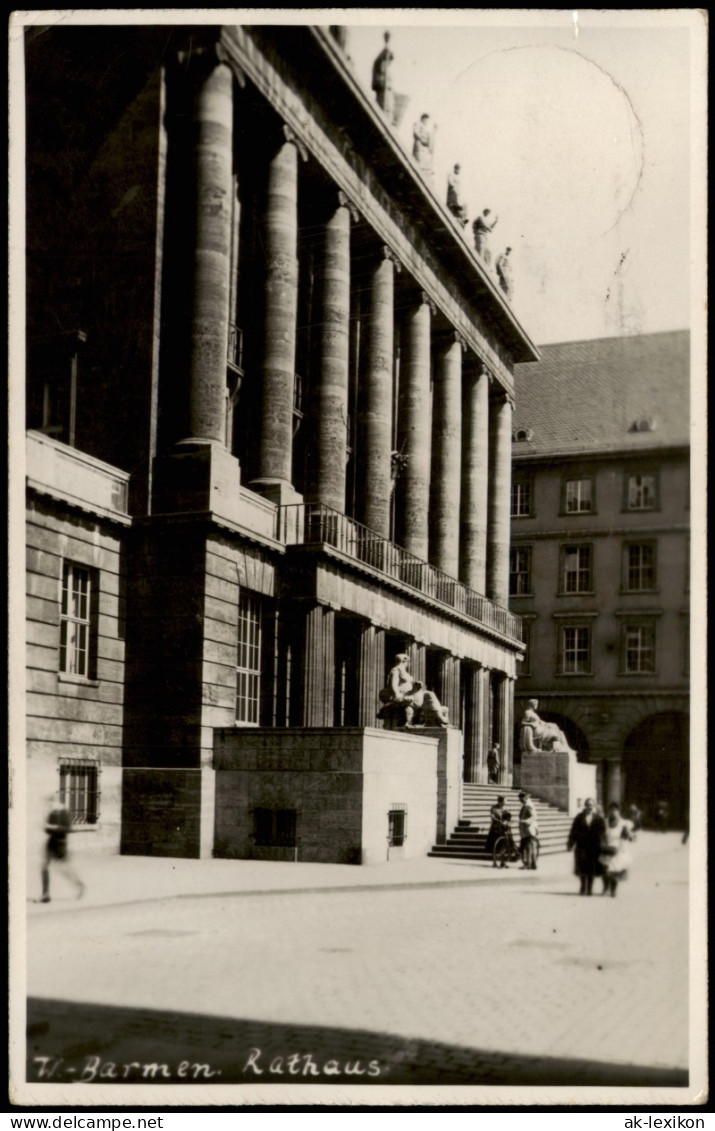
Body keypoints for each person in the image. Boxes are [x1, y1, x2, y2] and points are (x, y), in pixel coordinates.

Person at [41, 800, 84, 903]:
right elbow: (47, 830)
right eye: (48, 804)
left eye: (51, 803)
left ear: (56, 802)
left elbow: (69, 829)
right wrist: (47, 828)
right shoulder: (51, 813)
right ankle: (45, 894)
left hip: (61, 844)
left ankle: (79, 884)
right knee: (44, 867)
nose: (49, 805)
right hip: (51, 843)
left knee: (64, 869)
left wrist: (55, 827)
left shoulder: (64, 813)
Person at [567, 797, 606, 896]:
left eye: (591, 805)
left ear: (594, 806)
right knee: (581, 867)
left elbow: (602, 832)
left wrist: (601, 843)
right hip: (582, 846)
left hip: (593, 847)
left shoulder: (598, 818)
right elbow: (573, 831)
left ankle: (589, 888)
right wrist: (570, 844)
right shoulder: (579, 817)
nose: (589, 807)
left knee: (591, 868)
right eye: (588, 805)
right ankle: (583, 886)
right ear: (585, 806)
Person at [599, 802, 633, 897]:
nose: (613, 812)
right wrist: (602, 843)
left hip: (618, 848)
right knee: (605, 870)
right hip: (606, 847)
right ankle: (605, 888)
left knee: (615, 870)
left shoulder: (623, 824)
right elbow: (602, 835)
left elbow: (629, 837)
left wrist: (629, 835)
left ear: (619, 812)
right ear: (608, 811)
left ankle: (613, 890)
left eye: (615, 810)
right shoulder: (605, 822)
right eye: (611, 810)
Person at [371, 32, 394, 120]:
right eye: (387, 61)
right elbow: (378, 62)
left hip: (388, 94)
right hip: (382, 93)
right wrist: (386, 47)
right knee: (382, 110)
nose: (388, 63)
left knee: (388, 110)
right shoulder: (379, 66)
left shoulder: (388, 72)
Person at [518, 791, 539, 870]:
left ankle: (528, 864)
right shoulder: (526, 805)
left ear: (526, 797)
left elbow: (534, 816)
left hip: (528, 830)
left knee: (528, 848)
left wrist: (526, 821)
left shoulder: (528, 805)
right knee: (530, 847)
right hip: (526, 831)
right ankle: (533, 865)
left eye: (521, 799)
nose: (520, 801)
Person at [485, 795, 509, 863]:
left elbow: (508, 817)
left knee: (504, 844)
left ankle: (502, 861)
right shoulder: (494, 807)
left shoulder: (506, 809)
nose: (506, 802)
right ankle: (494, 861)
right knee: (493, 844)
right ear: (501, 801)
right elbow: (492, 816)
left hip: (504, 828)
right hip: (495, 827)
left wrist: (506, 822)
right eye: (505, 800)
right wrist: (499, 821)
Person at [412, 114, 436, 183]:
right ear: (423, 119)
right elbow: (416, 132)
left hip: (424, 147)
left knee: (423, 161)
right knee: (418, 160)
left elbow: (430, 139)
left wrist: (434, 131)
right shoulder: (418, 124)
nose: (426, 121)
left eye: (427, 120)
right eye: (426, 119)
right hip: (419, 145)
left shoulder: (426, 128)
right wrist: (421, 139)